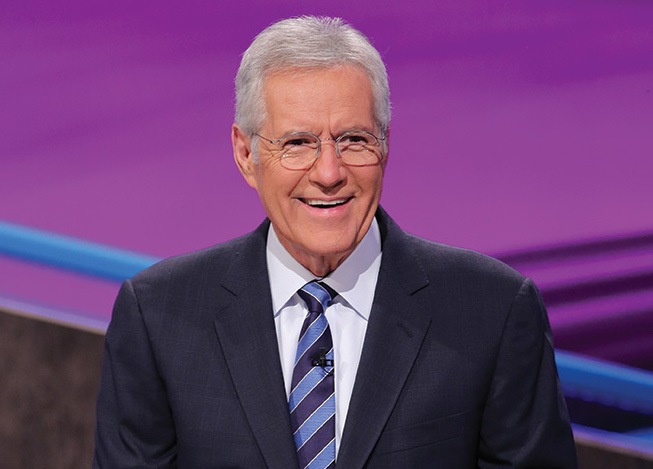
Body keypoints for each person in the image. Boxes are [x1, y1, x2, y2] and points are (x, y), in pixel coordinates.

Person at [94, 16, 577, 468]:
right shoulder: (158, 316)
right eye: (298, 143)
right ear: (245, 154)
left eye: (353, 140)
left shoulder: (493, 311)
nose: (329, 173)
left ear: (385, 145)